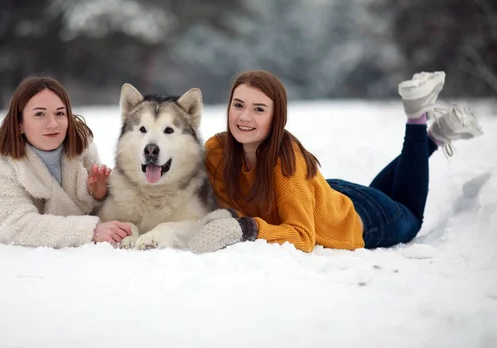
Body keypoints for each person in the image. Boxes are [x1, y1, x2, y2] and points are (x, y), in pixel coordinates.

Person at [188, 70, 483, 253]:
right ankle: (436, 136)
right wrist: (228, 216)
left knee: (409, 215)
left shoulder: (286, 162)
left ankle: (418, 117)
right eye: (238, 105)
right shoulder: (217, 149)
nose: (244, 117)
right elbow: (229, 201)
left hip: (367, 220)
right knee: (389, 194)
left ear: (277, 118)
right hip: (329, 196)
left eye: (259, 109)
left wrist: (247, 229)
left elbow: (303, 237)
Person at [0, 76, 132, 248]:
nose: (53, 124)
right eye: (39, 114)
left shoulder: (81, 146)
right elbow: (14, 226)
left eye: (60, 113)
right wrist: (90, 231)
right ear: (19, 123)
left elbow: (87, 211)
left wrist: (99, 195)